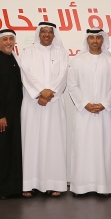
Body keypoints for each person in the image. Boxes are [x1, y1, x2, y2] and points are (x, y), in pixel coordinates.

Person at [19, 22, 69, 197]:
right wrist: (40, 92)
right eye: (43, 32)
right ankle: (28, 183)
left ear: (54, 35)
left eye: (50, 32)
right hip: (33, 104)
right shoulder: (28, 52)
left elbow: (63, 77)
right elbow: (25, 74)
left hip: (54, 105)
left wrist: (48, 95)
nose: (47, 34)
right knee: (31, 142)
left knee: (54, 143)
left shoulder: (61, 54)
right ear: (38, 34)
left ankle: (53, 183)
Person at [68, 28, 111, 196]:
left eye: (98, 37)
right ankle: (81, 187)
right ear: (87, 40)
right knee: (83, 148)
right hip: (84, 113)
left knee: (104, 148)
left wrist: (105, 104)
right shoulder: (77, 61)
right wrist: (85, 104)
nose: (95, 41)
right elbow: (72, 86)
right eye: (91, 38)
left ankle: (104, 187)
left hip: (105, 113)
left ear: (103, 40)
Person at [0, 29, 23, 199]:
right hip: (0, 116)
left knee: (11, 151)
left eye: (11, 39)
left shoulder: (15, 61)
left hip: (14, 114)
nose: (8, 42)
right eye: (5, 39)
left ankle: (12, 188)